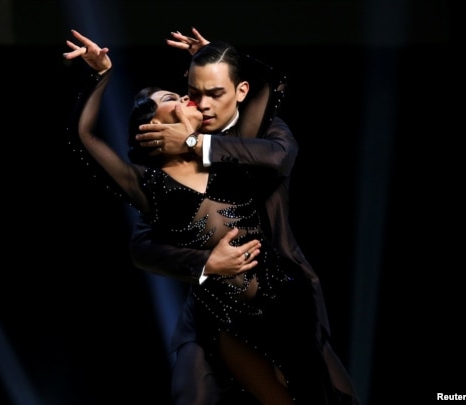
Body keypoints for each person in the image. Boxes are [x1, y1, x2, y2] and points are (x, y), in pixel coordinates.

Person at [63, 28, 357, 404]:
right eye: (176, 96)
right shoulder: (150, 185)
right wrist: (102, 74)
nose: (192, 98)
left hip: (284, 305)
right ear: (150, 125)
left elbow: (270, 91)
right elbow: (84, 137)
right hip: (223, 317)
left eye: (209, 92)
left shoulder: (233, 151)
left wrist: (218, 56)